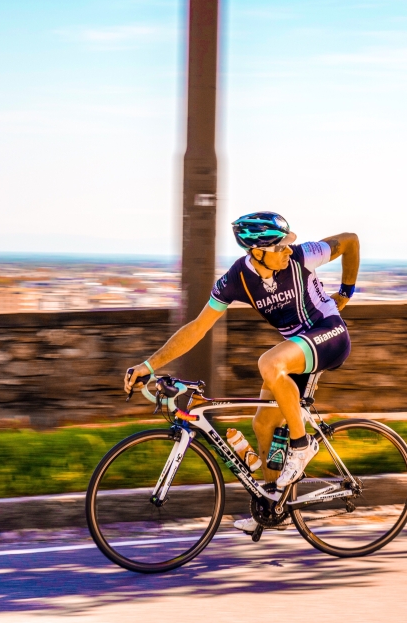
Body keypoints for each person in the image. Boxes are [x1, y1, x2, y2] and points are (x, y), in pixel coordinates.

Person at [124, 211, 359, 533]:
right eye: (280, 247)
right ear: (256, 252)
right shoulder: (236, 279)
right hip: (298, 350)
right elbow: (198, 327)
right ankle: (274, 505)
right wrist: (148, 365)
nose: (288, 251)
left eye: (288, 244)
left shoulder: (303, 255)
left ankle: (302, 446)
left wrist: (345, 293)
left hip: (329, 334)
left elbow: (350, 241)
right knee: (262, 423)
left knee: (269, 363)